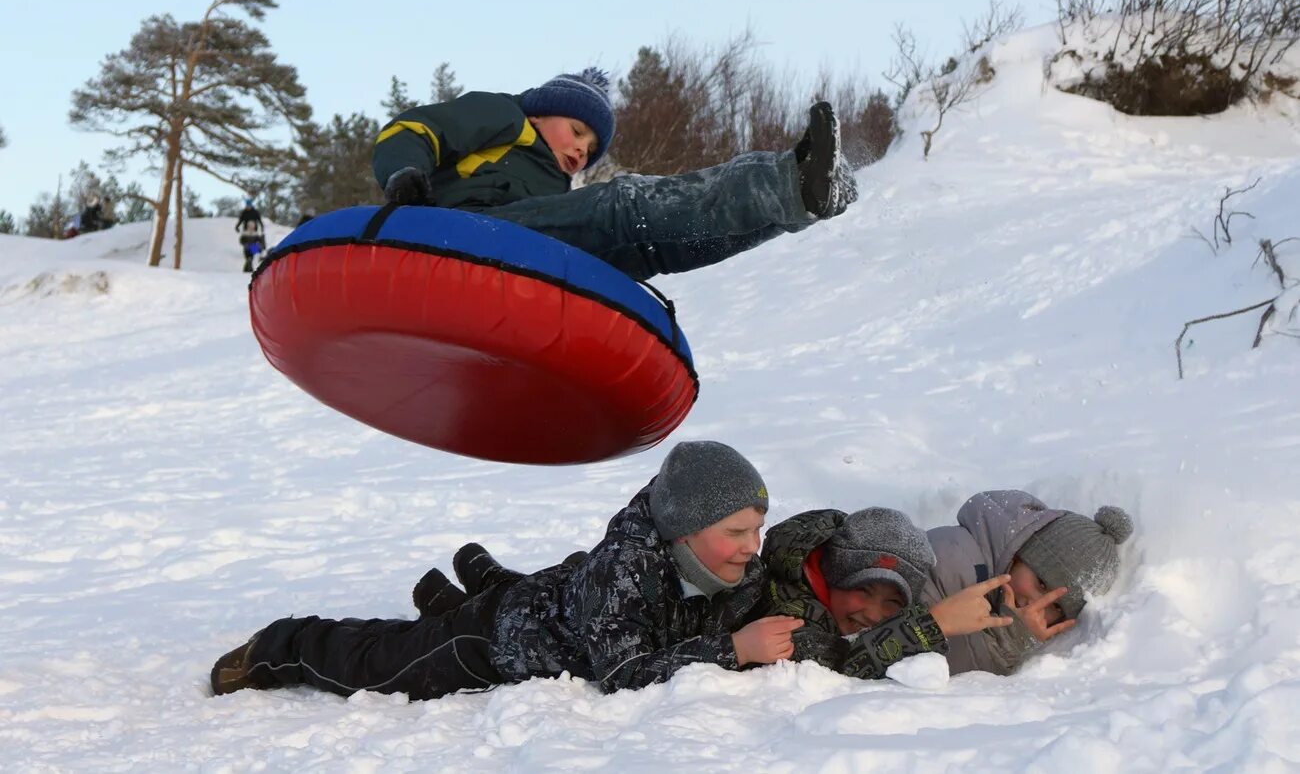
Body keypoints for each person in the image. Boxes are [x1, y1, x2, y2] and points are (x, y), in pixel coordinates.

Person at [211, 441, 804, 698]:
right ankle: (282, 645)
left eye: (756, 528)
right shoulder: (626, 568)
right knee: (381, 666)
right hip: (494, 639)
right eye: (734, 532)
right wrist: (733, 650)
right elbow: (623, 674)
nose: (753, 546)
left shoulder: (734, 567)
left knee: (534, 598)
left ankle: (464, 586)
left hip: (551, 599)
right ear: (682, 528)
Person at [373, 68, 858, 281]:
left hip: (525, 251)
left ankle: (797, 203)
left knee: (653, 247)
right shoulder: (508, 117)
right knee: (623, 205)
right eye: (577, 130)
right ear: (542, 114)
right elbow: (418, 128)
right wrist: (405, 175)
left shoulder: (554, 187)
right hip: (461, 231)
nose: (583, 148)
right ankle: (787, 184)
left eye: (591, 146)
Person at [756, 506, 1016, 680]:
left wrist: (1014, 634)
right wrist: (932, 625)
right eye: (862, 589)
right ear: (830, 576)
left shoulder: (848, 616)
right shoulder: (789, 608)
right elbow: (831, 672)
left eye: (893, 601)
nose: (872, 613)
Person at [921, 490, 1134, 676]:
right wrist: (1010, 638)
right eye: (1041, 584)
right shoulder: (956, 561)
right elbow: (920, 668)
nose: (1034, 603)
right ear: (1019, 555)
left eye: (1056, 606)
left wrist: (1015, 632)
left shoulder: (993, 589)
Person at [235, 197, 266, 273]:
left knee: (253, 247)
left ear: (251, 205)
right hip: (246, 231)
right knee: (248, 247)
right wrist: (237, 226)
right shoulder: (244, 212)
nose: (248, 207)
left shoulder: (255, 212)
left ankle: (251, 261)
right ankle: (249, 261)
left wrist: (261, 227)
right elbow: (241, 220)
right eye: (247, 205)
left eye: (249, 205)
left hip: (254, 230)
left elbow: (259, 220)